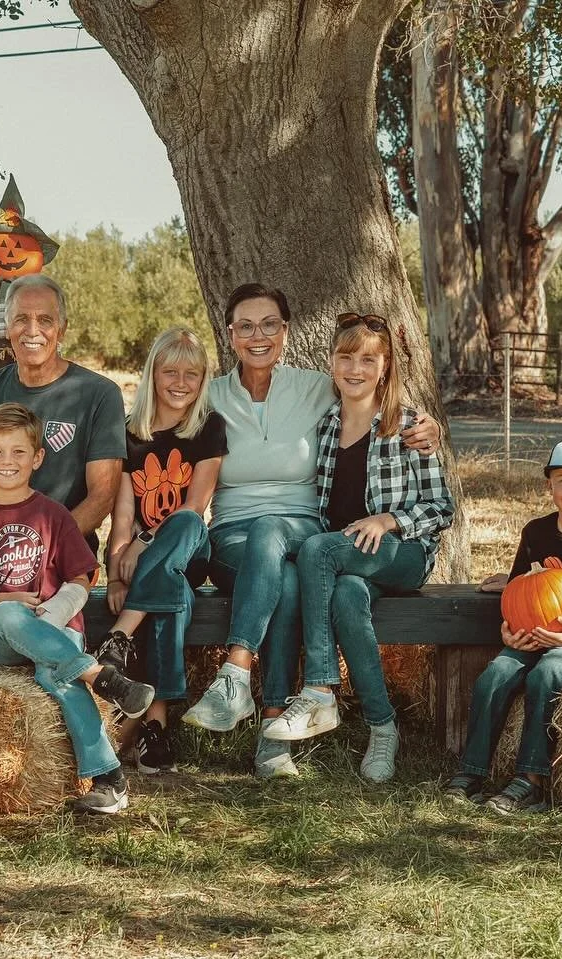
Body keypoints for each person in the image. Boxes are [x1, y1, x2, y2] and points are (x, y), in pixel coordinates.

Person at [180, 284, 442, 779]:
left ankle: (242, 682)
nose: (259, 335)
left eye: (270, 324)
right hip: (235, 535)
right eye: (246, 326)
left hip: (307, 530)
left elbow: (374, 396)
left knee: (279, 541)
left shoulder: (316, 387)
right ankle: (272, 729)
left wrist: (428, 428)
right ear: (230, 333)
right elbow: (156, 426)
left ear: (286, 331)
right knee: (279, 564)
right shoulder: (209, 394)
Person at [260, 313, 455, 783]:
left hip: (402, 553)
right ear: (331, 362)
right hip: (348, 561)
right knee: (347, 594)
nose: (355, 368)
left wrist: (390, 520)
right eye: (346, 357)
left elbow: (442, 508)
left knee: (319, 551)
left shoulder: (408, 426)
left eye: (368, 359)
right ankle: (383, 727)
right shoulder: (325, 426)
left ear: (385, 366)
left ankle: (321, 687)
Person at [0, 403, 155, 815]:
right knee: (7, 616)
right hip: (1, 635)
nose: (8, 461)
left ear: (38, 457)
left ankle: (108, 779)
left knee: (57, 674)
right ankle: (99, 674)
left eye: (19, 452)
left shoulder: (53, 515)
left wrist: (55, 613)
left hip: (57, 623)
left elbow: (82, 577)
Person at [441, 438, 562, 813]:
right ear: (549, 484)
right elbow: (519, 592)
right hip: (536, 633)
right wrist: (509, 631)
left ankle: (530, 780)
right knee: (496, 673)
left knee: (548, 672)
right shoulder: (535, 532)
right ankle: (472, 771)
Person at [99, 328, 226, 774]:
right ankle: (156, 730)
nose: (180, 381)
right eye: (170, 370)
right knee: (170, 599)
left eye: (192, 373)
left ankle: (120, 634)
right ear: (152, 373)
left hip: (188, 552)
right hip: (148, 570)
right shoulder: (128, 435)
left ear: (203, 379)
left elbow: (195, 507)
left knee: (187, 527)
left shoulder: (209, 426)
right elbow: (121, 516)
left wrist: (144, 540)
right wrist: (115, 575)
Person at [0, 273, 125, 556]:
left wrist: (35, 549)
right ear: (7, 327)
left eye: (45, 320)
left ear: (62, 329)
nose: (32, 330)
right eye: (21, 319)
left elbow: (102, 496)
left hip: (63, 550)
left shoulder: (100, 395)